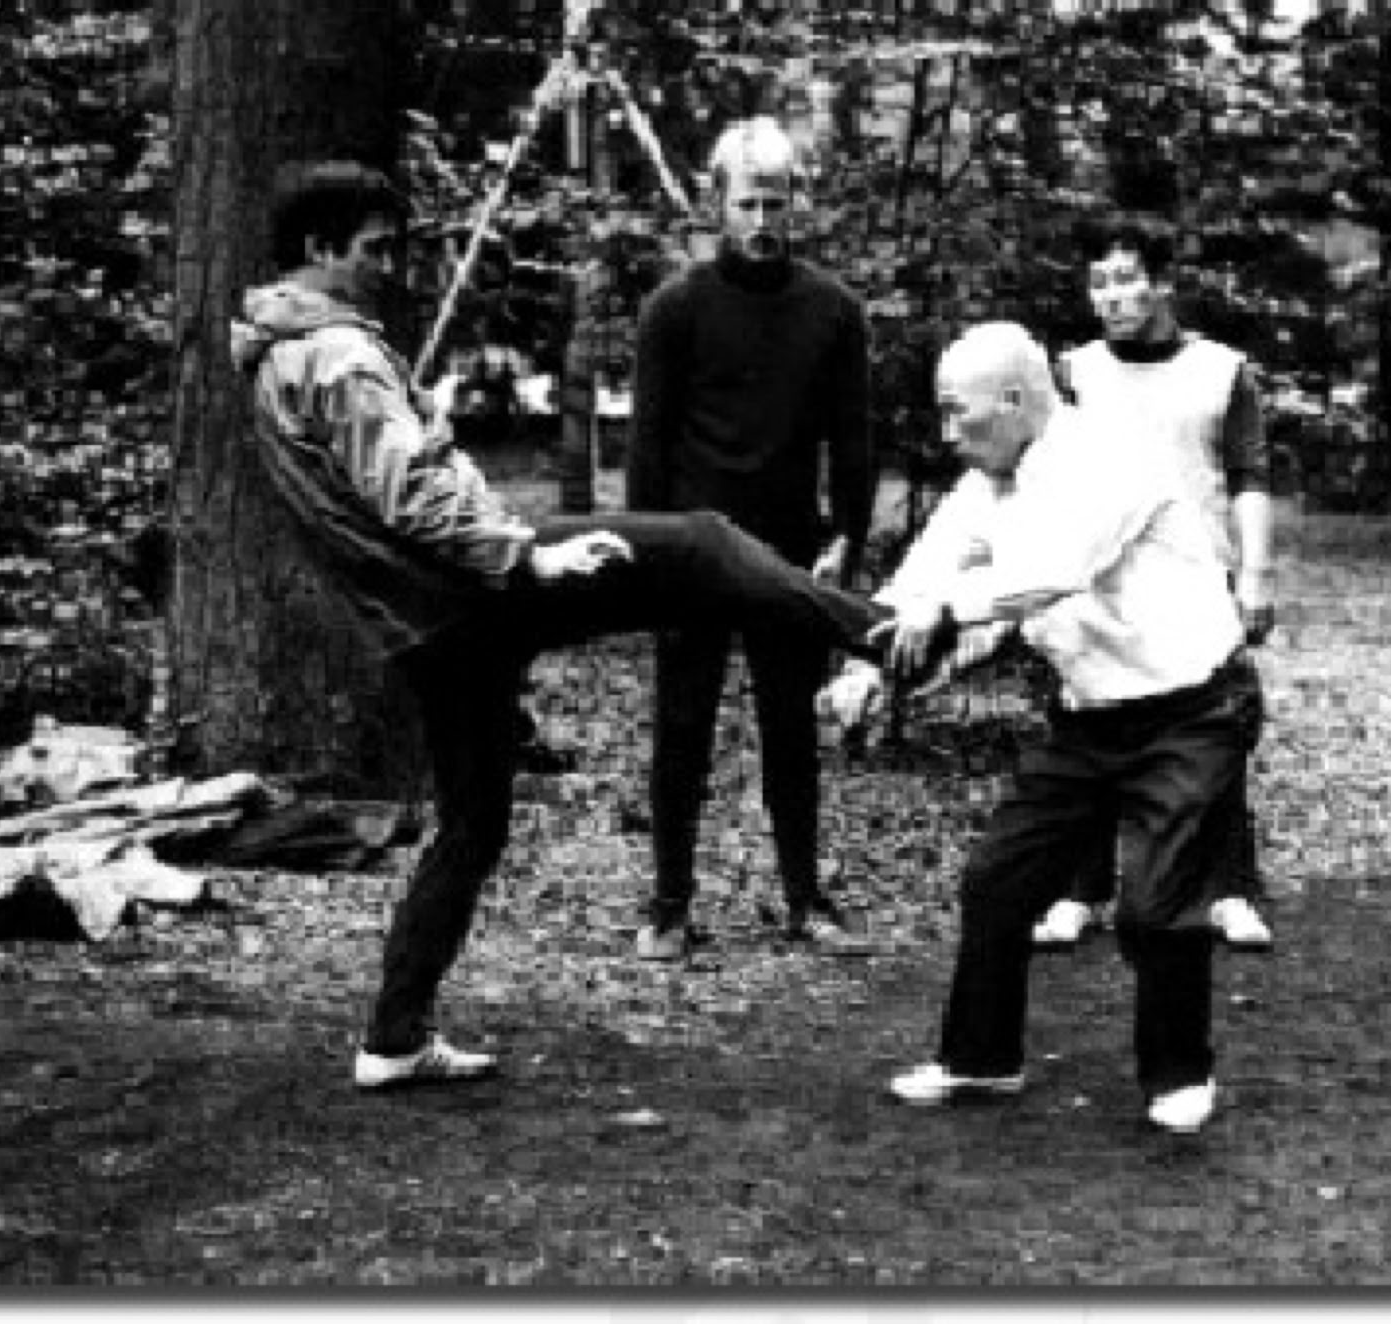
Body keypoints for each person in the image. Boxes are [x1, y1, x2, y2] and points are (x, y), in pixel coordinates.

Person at [232, 161, 904, 1090]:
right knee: (701, 545)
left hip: (421, 623)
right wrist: (526, 556)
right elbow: (410, 497)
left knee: (473, 827)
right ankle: (885, 632)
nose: (387, 268)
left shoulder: (274, 354)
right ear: (317, 250)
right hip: (468, 589)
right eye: (374, 250)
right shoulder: (336, 356)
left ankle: (393, 1035)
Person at [821, 322, 1261, 1133]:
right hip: (1089, 716)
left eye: (960, 414)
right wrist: (867, 666)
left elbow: (1050, 572)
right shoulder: (989, 477)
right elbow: (929, 568)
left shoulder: (1108, 457)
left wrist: (944, 612)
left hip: (1193, 710)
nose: (948, 434)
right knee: (999, 880)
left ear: (1018, 400)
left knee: (1157, 908)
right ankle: (981, 1059)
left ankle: (1179, 1072)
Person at [625, 117, 874, 961]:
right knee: (682, 732)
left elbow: (855, 437)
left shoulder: (833, 312)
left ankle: (806, 898)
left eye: (776, 202)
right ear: (718, 206)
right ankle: (667, 906)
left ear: (797, 203)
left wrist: (848, 533)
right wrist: (647, 559)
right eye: (747, 203)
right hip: (694, 551)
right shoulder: (675, 309)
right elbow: (647, 449)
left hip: (789, 552)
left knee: (790, 732)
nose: (763, 220)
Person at [1028, 217, 1276, 952]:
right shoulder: (1073, 373)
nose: (1111, 297)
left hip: (1198, 581)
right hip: (1101, 582)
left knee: (1211, 730)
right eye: (1098, 283)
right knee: (1088, 723)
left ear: (1162, 283)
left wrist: (1256, 571)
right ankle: (1080, 888)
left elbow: (1248, 475)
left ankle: (1228, 886)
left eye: (1127, 279)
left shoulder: (1221, 372)